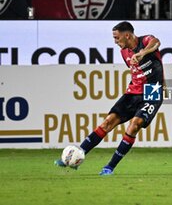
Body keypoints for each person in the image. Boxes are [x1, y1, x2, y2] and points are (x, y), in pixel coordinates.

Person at [55, 21, 165, 176]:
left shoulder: (146, 40)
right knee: (107, 122)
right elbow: (136, 72)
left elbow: (156, 43)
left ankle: (110, 167)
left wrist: (142, 53)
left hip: (152, 91)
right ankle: (75, 156)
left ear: (127, 35)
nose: (115, 41)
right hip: (133, 91)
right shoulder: (124, 52)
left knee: (134, 125)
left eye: (117, 38)